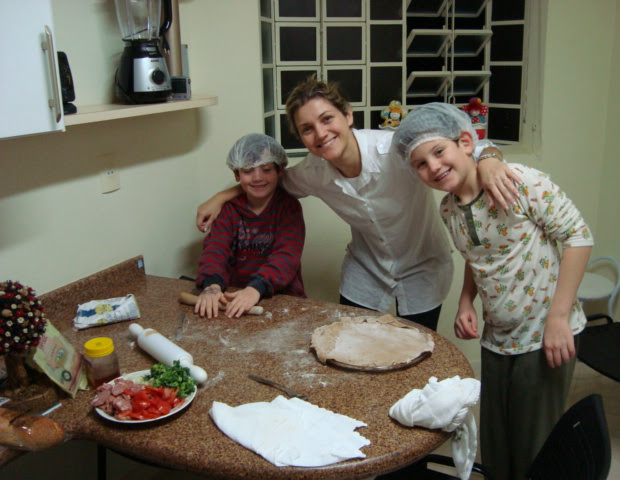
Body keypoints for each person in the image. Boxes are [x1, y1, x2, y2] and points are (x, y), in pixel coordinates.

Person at [196, 77, 520, 331]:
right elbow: (266, 180)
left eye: (327, 119)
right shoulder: (311, 172)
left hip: (424, 266)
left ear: (348, 115)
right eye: (307, 129)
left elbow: (470, 147)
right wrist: (221, 196)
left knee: (415, 349)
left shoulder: (395, 148)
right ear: (301, 138)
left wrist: (490, 161)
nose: (321, 133)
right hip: (366, 269)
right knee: (353, 347)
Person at [392, 102, 593, 480]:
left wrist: (559, 317)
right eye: (420, 163)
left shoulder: (518, 181)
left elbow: (579, 237)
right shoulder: (449, 210)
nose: (433, 167)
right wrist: (466, 300)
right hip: (497, 337)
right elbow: (477, 253)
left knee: (535, 447)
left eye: (439, 152)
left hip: (543, 334)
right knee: (498, 443)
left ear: (465, 142)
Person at [195, 133, 306, 319]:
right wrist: (212, 284)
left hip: (283, 298)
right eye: (248, 171)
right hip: (235, 297)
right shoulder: (229, 210)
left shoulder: (288, 207)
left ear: (279, 171)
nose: (257, 178)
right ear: (236, 174)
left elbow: (286, 256)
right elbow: (216, 250)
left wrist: (256, 288)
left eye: (266, 169)